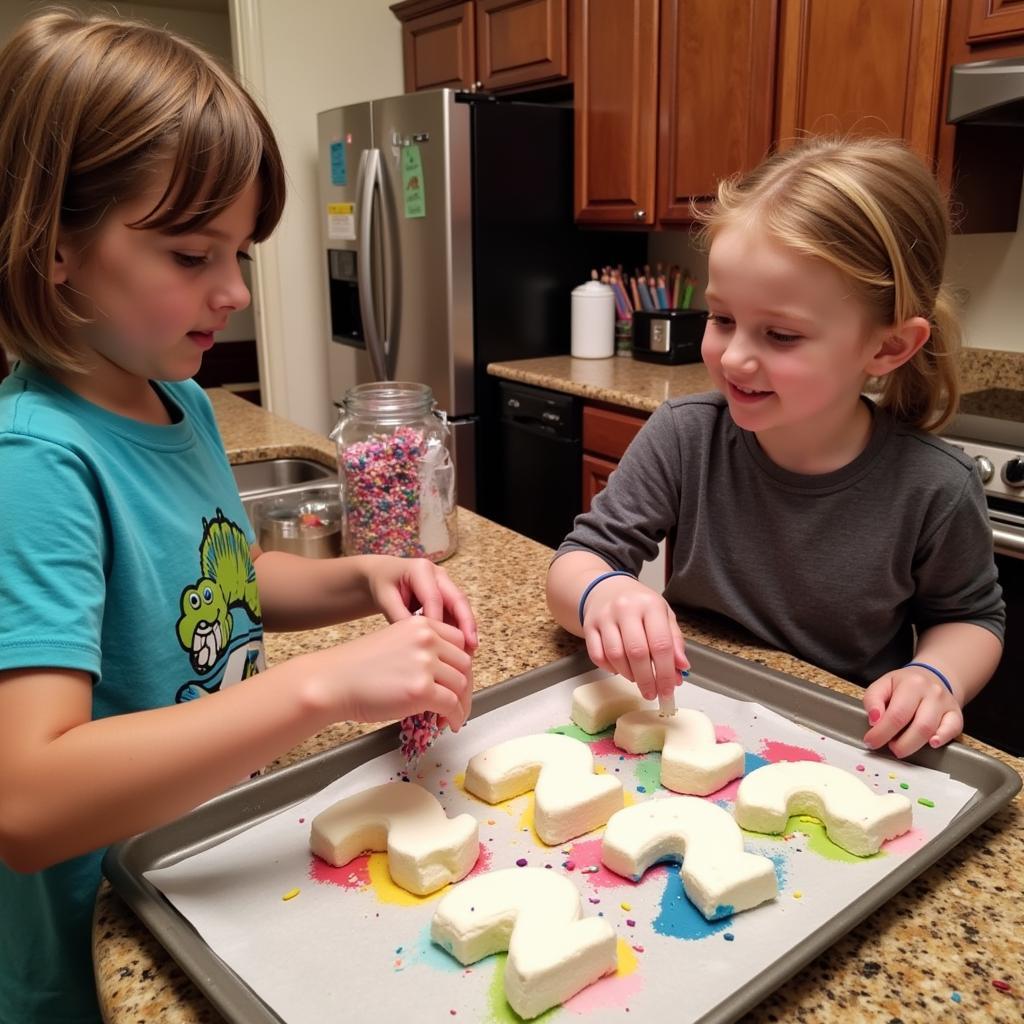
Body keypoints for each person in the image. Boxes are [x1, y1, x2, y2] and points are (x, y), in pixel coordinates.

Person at [0, 12, 478, 1023]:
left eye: (241, 253)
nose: (230, 292)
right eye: (188, 254)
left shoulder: (177, 400)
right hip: (105, 935)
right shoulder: (36, 462)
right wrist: (316, 689)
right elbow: (27, 802)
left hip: (201, 866)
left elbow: (215, 581)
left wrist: (361, 578)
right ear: (53, 246)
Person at [547, 136, 1004, 763]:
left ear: (888, 348)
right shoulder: (686, 433)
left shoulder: (935, 485)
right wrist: (603, 593)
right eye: (722, 319)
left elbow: (973, 618)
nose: (734, 356)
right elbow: (577, 562)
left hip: (845, 742)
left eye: (781, 334)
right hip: (693, 712)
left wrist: (936, 677)